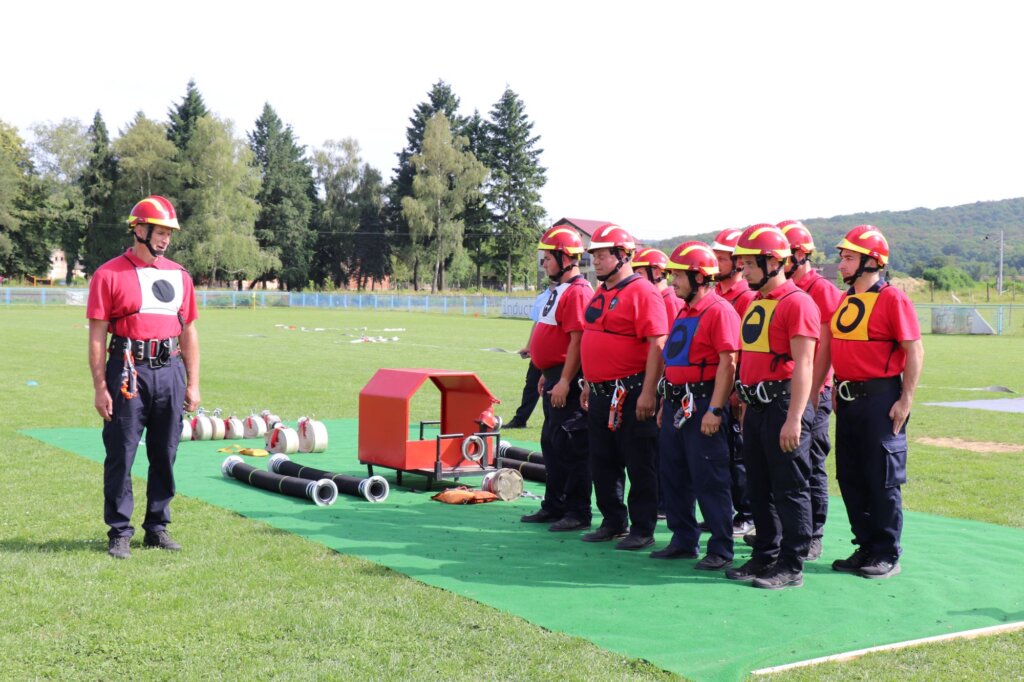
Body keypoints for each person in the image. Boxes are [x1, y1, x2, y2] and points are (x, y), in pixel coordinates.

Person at [87, 195, 201, 559]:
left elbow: (190, 333)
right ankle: (119, 531)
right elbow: (96, 336)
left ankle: (157, 527)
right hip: (126, 372)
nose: (165, 238)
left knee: (165, 453)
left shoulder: (181, 276)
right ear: (138, 228)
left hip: (171, 371)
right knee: (121, 453)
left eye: (169, 232)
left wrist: (194, 383)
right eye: (159, 230)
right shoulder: (108, 274)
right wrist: (100, 388)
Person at [815, 225, 923, 579]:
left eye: (849, 258)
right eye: (842, 257)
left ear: (872, 261)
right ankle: (865, 546)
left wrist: (905, 400)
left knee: (882, 478)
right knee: (850, 475)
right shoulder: (847, 299)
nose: (841, 264)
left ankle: (886, 552)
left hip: (880, 399)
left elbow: (914, 349)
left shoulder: (893, 298)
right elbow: (829, 351)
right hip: (847, 401)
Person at [724, 224, 819, 589]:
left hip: (783, 408)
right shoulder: (757, 302)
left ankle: (791, 564)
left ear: (771, 262)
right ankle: (765, 555)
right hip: (757, 409)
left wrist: (795, 418)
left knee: (790, 488)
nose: (743, 271)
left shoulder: (797, 302)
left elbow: (805, 365)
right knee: (759, 487)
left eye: (749, 264)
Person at [578, 224, 668, 550]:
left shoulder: (643, 292)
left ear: (622, 255)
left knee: (639, 461)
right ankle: (613, 520)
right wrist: (589, 382)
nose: (596, 262)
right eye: (594, 256)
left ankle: (642, 528)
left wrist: (648, 392)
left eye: (601, 255)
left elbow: (657, 343)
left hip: (631, 393)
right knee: (603, 460)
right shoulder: (602, 291)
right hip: (602, 392)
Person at [653, 241, 740, 570]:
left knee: (709, 477)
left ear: (700, 278)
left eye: (678, 275)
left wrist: (715, 410)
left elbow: (728, 364)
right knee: (673, 473)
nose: (673, 281)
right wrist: (665, 402)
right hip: (677, 402)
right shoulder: (684, 310)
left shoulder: (720, 311)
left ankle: (720, 547)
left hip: (703, 402)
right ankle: (683, 539)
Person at [519, 226, 595, 530]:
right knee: (552, 444)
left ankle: (577, 511)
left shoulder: (577, 292)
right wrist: (546, 373)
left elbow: (577, 341)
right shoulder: (560, 290)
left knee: (572, 446)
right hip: (552, 378)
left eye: (548, 258)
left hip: (568, 382)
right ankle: (553, 505)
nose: (544, 264)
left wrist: (564, 379)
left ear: (566, 257)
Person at [778, 220, 842, 561]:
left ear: (800, 255)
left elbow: (827, 348)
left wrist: (818, 389)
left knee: (811, 462)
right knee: (783, 463)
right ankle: (785, 530)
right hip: (782, 393)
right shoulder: (780, 291)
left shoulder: (821, 291)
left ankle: (814, 533)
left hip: (814, 391)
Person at [710, 228, 757, 536]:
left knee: (739, 456)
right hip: (715, 386)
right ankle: (727, 510)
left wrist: (738, 389)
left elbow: (741, 349)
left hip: (733, 390)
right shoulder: (716, 294)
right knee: (721, 455)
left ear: (739, 263)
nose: (716, 264)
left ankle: (748, 513)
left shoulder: (746, 297)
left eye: (722, 258)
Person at [505, 285, 552, 428]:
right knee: (531, 385)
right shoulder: (542, 297)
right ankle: (520, 420)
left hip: (555, 353)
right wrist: (529, 346)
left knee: (551, 388)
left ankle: (550, 423)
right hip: (539, 352)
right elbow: (537, 324)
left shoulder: (566, 293)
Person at [633, 247, 681, 322]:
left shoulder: (670, 302)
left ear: (657, 273)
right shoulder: (659, 298)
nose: (636, 278)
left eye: (639, 273)